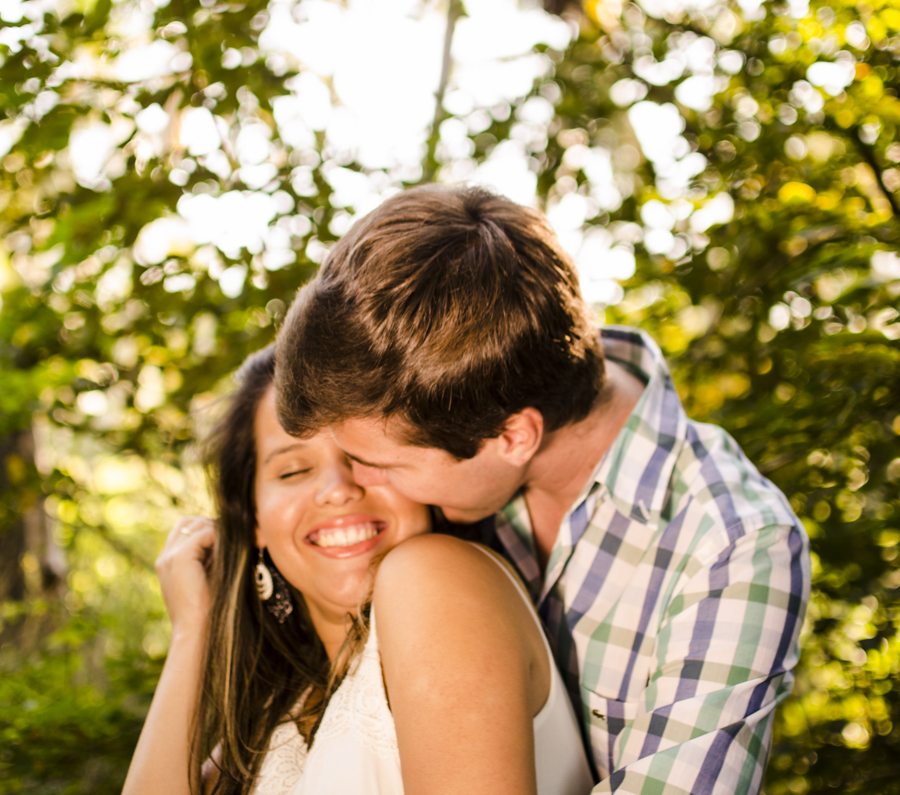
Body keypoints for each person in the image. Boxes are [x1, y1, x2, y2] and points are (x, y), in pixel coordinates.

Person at [274, 184, 810, 794]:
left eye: (386, 466)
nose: (361, 483)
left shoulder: (733, 546)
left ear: (512, 437)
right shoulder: (453, 395)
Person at [122, 344, 592, 795]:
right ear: (255, 522)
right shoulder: (283, 711)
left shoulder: (434, 576)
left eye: (364, 459)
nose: (338, 489)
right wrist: (192, 631)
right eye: (292, 472)